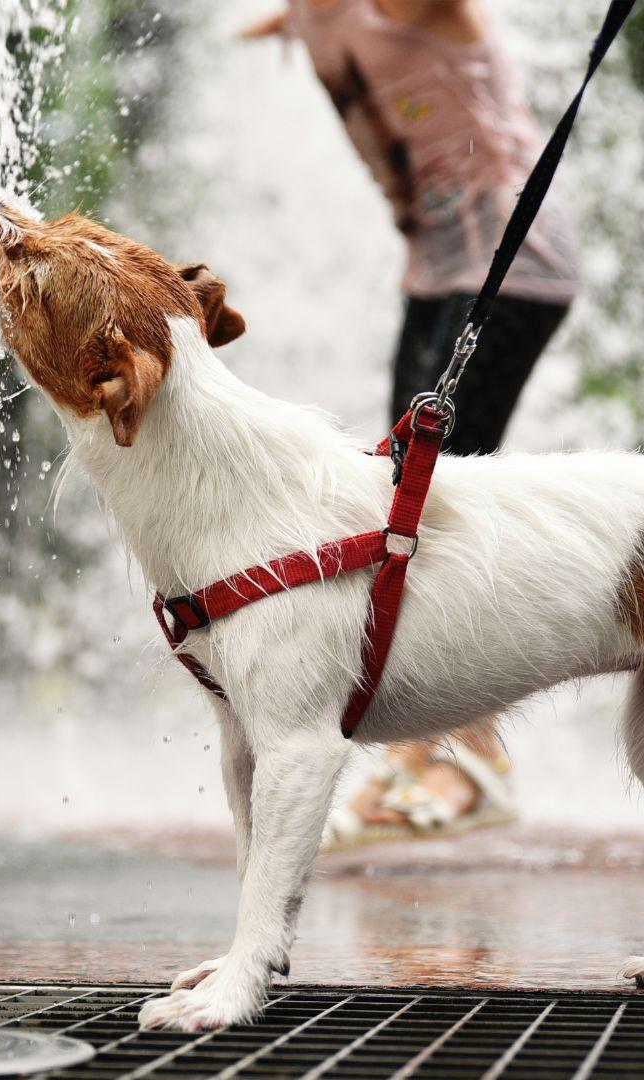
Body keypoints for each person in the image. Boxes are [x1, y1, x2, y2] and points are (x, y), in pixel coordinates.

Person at [241, 0, 580, 846]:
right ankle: (436, 746)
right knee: (392, 498)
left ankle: (466, 761)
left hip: (516, 263)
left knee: (427, 503)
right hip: (434, 274)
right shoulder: (309, 18)